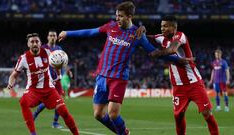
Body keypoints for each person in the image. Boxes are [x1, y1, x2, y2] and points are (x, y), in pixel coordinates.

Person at [58, 2, 190, 135]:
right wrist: (67, 33)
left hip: (118, 78)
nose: (117, 19)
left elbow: (153, 52)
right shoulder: (111, 26)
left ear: (129, 16)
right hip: (102, 76)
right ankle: (123, 132)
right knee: (98, 114)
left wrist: (177, 59)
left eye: (120, 16)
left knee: (113, 114)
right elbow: (90, 32)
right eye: (116, 16)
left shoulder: (137, 35)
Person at [137, 15, 219, 135]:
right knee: (178, 116)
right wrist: (142, 29)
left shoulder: (180, 36)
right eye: (161, 26)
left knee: (207, 113)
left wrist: (157, 53)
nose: (162, 29)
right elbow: (145, 39)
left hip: (194, 83)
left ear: (173, 27)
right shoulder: (161, 38)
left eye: (165, 26)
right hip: (178, 87)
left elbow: (172, 49)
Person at [7, 33, 79, 135]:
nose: (35, 43)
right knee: (23, 102)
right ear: (28, 44)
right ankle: (33, 133)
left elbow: (57, 63)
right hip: (33, 90)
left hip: (49, 90)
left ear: (40, 43)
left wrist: (59, 75)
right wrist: (10, 84)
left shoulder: (47, 52)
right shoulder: (23, 58)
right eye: (32, 42)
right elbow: (13, 75)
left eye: (37, 41)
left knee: (64, 112)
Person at [32, 30, 65, 128]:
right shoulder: (42, 48)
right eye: (50, 35)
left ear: (56, 37)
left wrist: (66, 71)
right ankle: (35, 116)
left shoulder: (59, 48)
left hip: (57, 78)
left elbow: (62, 62)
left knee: (59, 100)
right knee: (48, 101)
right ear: (47, 37)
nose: (52, 37)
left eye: (54, 35)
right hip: (47, 78)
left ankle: (54, 122)